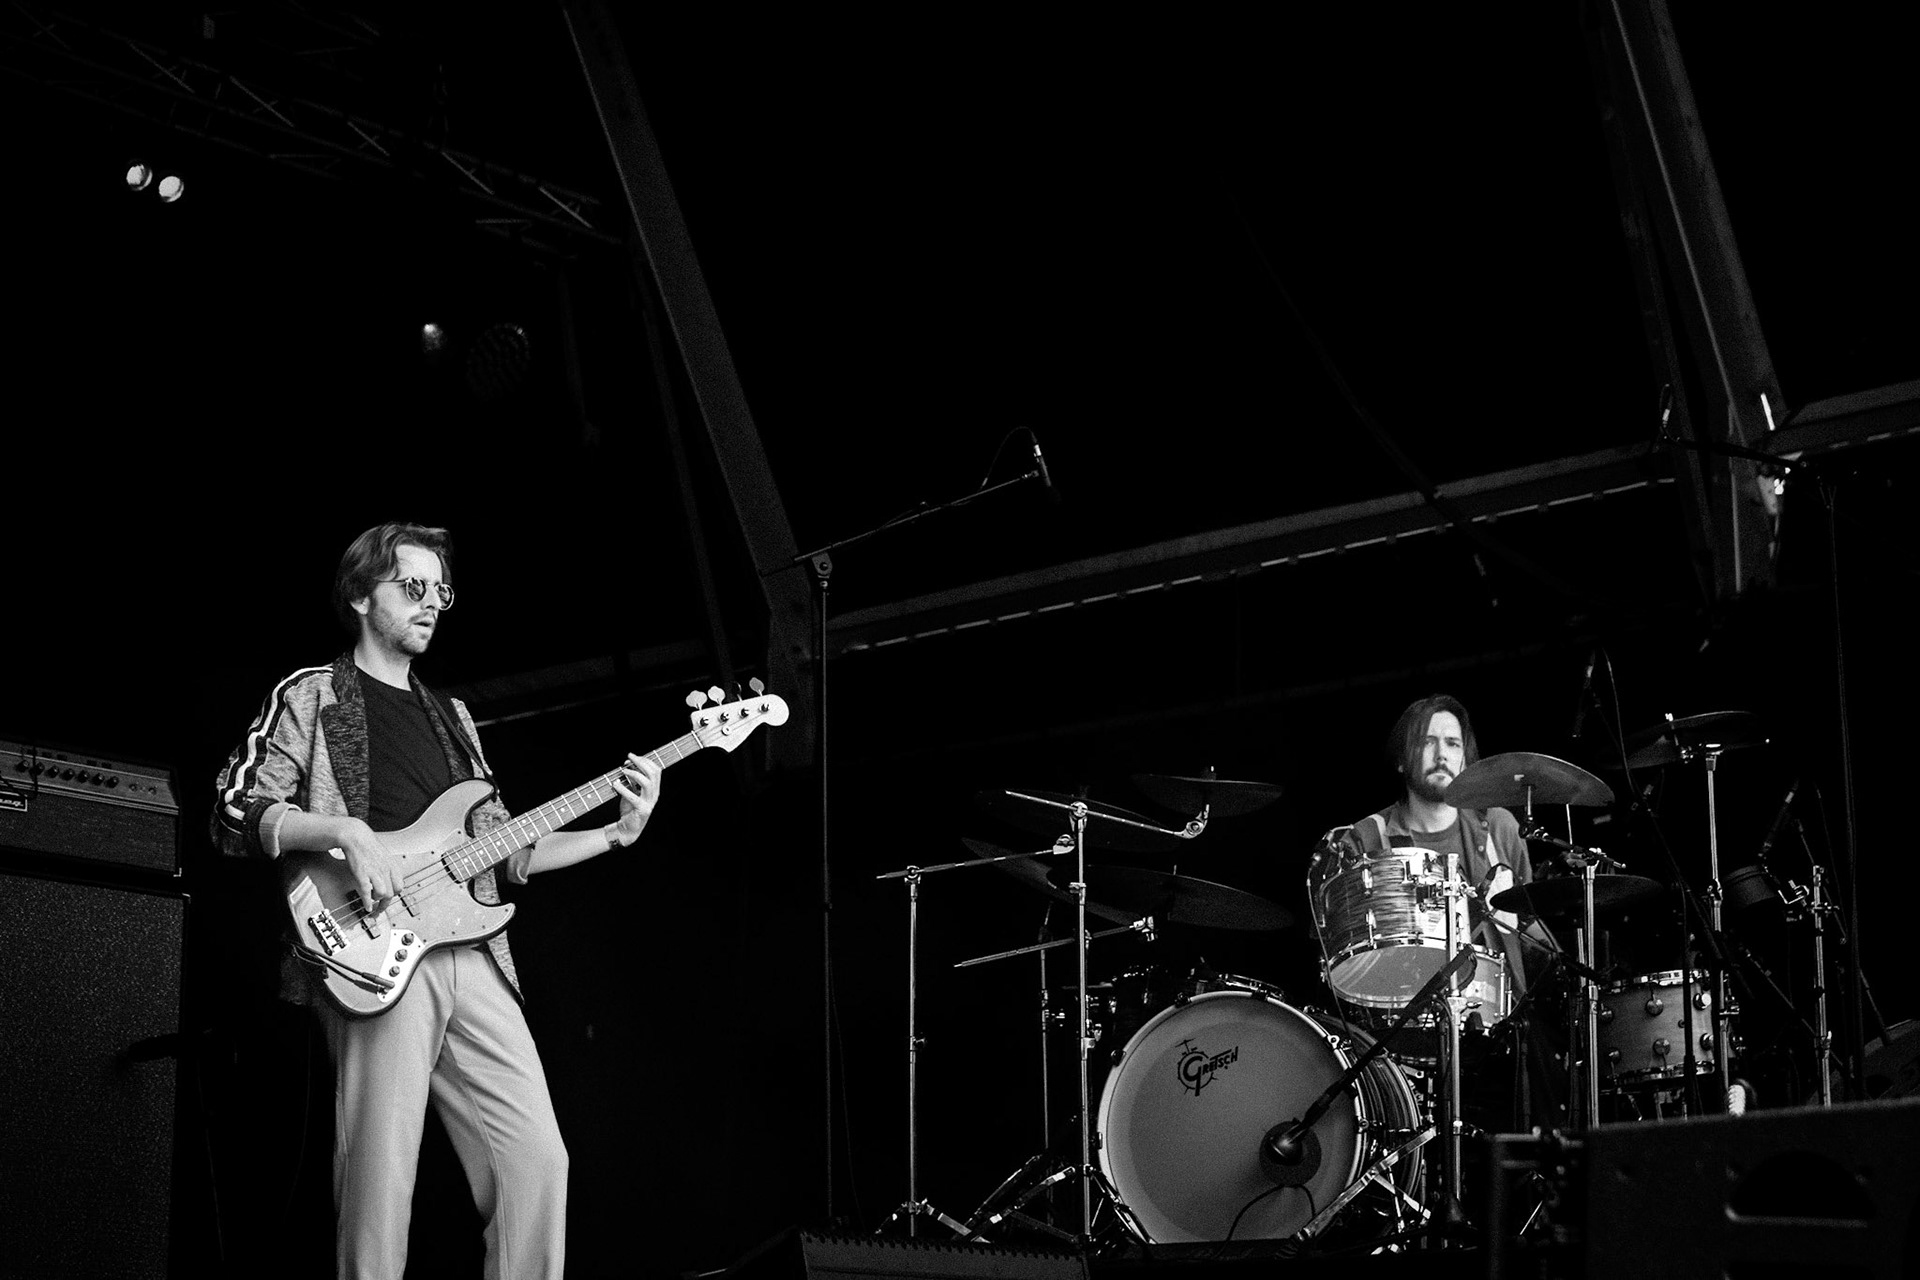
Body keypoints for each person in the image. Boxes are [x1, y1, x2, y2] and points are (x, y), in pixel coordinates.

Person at [211, 520, 662, 1280]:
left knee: (537, 1164)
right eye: (411, 586)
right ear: (359, 595)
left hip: (475, 953)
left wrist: (616, 834)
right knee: (381, 1182)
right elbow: (234, 808)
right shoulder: (313, 693)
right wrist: (346, 832)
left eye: (440, 590)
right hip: (373, 948)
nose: (431, 603)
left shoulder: (452, 719)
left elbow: (507, 851)